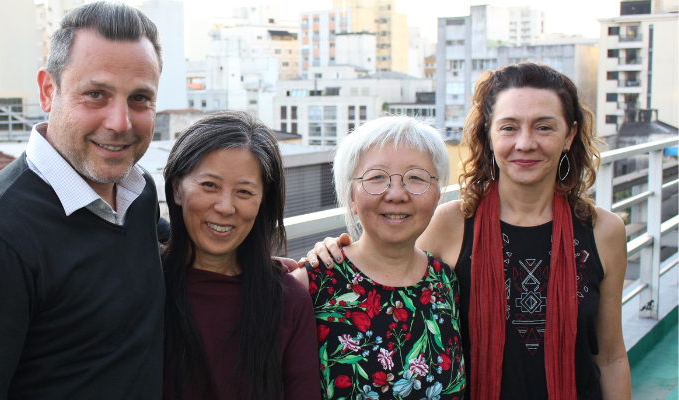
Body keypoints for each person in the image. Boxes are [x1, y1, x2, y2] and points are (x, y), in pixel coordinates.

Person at [308, 63, 631, 400]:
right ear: (488, 134)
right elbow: (387, 268)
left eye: (544, 127)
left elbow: (611, 357)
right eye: (509, 127)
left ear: (570, 135)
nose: (525, 143)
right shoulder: (449, 224)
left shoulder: (604, 232)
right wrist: (331, 252)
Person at [0, 2, 167, 398]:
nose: (120, 122)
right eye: (96, 94)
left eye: (139, 98)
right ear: (49, 92)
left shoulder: (138, 192)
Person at [291, 116, 465, 400]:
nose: (396, 194)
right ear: (351, 197)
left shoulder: (446, 282)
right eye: (377, 178)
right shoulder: (311, 285)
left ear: (436, 196)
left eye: (416, 178)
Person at [161, 111, 320, 400]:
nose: (225, 207)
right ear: (177, 189)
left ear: (262, 202)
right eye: (209, 185)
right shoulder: (145, 285)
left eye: (244, 192)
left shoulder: (289, 300)